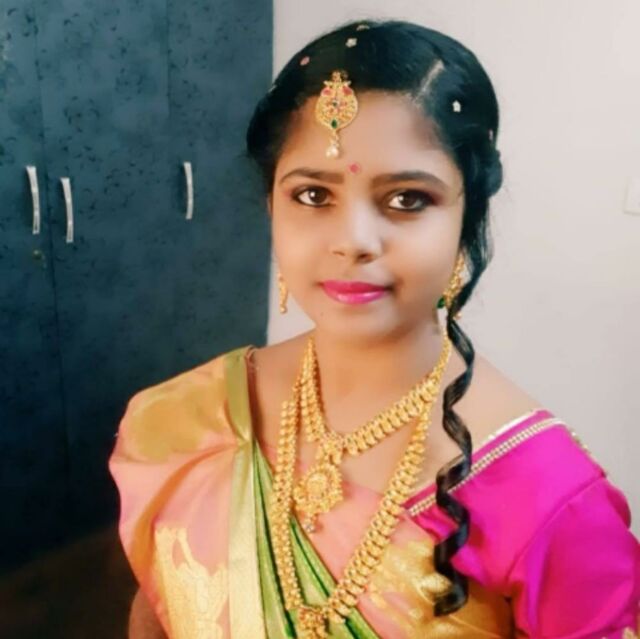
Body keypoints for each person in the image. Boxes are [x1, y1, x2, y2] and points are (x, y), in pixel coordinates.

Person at [109, 18, 640, 639]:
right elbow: (159, 605)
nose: (352, 240)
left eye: (407, 199)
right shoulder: (196, 419)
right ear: (271, 204)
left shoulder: (550, 502)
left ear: (467, 219)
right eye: (313, 195)